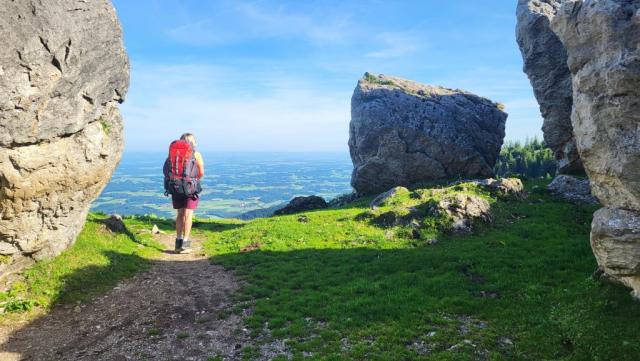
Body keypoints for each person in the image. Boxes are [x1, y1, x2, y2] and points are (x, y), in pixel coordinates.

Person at [172, 133, 204, 254]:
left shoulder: (175, 154)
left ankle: (178, 243)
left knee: (180, 214)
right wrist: (193, 180)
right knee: (189, 214)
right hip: (190, 187)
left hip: (176, 187)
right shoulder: (196, 154)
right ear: (193, 142)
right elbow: (201, 172)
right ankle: (185, 244)